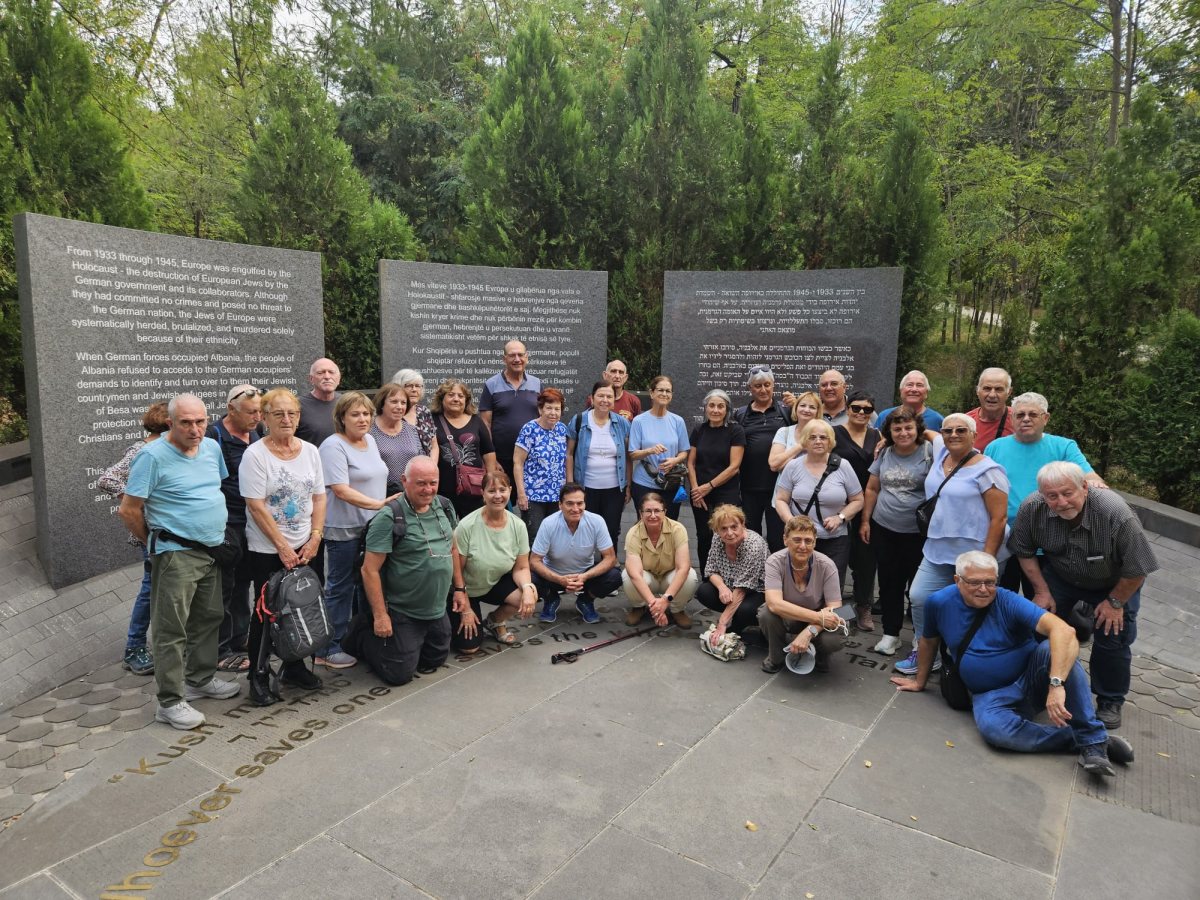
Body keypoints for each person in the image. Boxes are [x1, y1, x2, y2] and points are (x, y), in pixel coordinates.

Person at [892, 551, 1133, 777]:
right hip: (989, 695)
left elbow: (1064, 631)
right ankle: (1084, 740)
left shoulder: (1007, 600)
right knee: (996, 731)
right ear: (957, 580)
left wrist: (1056, 684)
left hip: (1032, 679)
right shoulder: (938, 603)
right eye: (975, 582)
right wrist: (920, 681)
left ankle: (1092, 739)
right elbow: (928, 641)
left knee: (1055, 647)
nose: (984, 589)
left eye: (990, 582)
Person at [119, 394, 240, 730]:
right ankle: (170, 702)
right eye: (186, 422)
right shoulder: (151, 456)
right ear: (170, 423)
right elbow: (129, 510)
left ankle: (200, 679)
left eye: (200, 421)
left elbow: (212, 489)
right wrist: (156, 544)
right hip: (176, 553)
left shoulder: (211, 447)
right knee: (171, 629)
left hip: (212, 549)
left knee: (209, 617)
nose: (195, 429)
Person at [1010, 462, 1159, 729]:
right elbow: (1023, 550)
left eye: (1068, 493)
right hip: (1061, 576)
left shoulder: (1115, 512)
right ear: (1042, 494)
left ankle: (1110, 700)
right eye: (1052, 496)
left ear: (1085, 487)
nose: (1061, 502)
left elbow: (1138, 567)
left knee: (1112, 636)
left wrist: (1115, 602)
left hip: (1114, 583)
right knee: (1041, 625)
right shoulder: (1032, 507)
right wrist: (1041, 591)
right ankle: (1040, 684)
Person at [895, 413, 1010, 676]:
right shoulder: (941, 453)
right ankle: (925, 652)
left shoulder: (988, 471)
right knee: (919, 597)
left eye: (961, 430)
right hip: (937, 549)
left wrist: (987, 561)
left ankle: (969, 660)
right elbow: (930, 433)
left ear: (974, 435)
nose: (953, 435)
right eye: (948, 431)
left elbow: (999, 518)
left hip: (975, 554)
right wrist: (886, 439)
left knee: (971, 607)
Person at [239, 389, 326, 706]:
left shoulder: (311, 451)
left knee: (302, 606)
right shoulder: (255, 455)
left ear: (299, 417)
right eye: (278, 414)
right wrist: (282, 548)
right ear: (264, 418)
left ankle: (295, 666)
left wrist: (315, 537)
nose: (286, 419)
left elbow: (319, 497)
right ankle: (258, 676)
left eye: (292, 413)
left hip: (306, 545)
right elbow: (255, 506)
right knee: (267, 612)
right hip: (267, 549)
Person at [345, 456, 457, 685]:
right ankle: (361, 635)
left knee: (434, 660)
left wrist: (461, 591)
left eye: (433, 483)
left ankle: (408, 644)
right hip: (403, 609)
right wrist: (380, 616)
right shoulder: (389, 517)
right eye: (421, 483)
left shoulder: (445, 506)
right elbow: (369, 570)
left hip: (436, 608)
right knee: (399, 674)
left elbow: (453, 548)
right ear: (405, 481)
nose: (428, 489)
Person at [984, 392, 1107, 593]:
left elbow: (1089, 477)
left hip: (1047, 541)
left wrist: (1097, 486)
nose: (1025, 419)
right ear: (1012, 418)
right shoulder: (995, 448)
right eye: (1020, 415)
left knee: (1043, 598)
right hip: (1003, 538)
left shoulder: (1063, 447)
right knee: (1001, 596)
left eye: (1033, 414)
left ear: (1046, 418)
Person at [318, 391, 394, 669]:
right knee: (340, 588)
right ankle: (328, 648)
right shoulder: (332, 446)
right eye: (355, 414)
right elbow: (340, 489)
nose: (362, 419)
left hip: (371, 528)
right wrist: (379, 504)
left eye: (366, 414)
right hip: (345, 529)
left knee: (367, 585)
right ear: (342, 418)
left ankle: (358, 639)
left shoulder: (370, 441)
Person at [99, 400, 169, 677]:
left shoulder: (165, 448)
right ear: (168, 425)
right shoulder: (142, 449)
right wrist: (132, 499)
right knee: (150, 589)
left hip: (168, 532)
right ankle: (134, 648)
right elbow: (107, 478)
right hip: (151, 534)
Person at [859, 408, 934, 656]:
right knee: (889, 583)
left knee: (919, 588)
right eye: (897, 429)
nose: (903, 433)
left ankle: (920, 637)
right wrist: (866, 521)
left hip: (919, 533)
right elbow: (872, 488)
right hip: (885, 529)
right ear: (889, 432)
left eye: (908, 427)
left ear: (918, 428)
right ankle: (890, 634)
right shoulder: (885, 453)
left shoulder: (929, 452)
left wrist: (929, 435)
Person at [207, 385, 265, 674]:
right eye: (251, 412)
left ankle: (239, 637)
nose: (257, 417)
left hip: (252, 521)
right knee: (224, 588)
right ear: (231, 409)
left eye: (260, 412)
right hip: (226, 523)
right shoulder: (213, 436)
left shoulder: (257, 432)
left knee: (244, 582)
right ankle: (220, 650)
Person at [449, 471, 535, 653]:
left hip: (494, 582)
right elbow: (456, 572)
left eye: (502, 490)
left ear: (510, 491)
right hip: (465, 589)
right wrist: (465, 607)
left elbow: (521, 567)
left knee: (529, 593)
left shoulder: (518, 525)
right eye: (491, 491)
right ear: (483, 493)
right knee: (469, 648)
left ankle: (495, 621)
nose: (497, 496)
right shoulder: (466, 526)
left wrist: (527, 588)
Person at [773, 420, 863, 588]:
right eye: (812, 437)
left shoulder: (843, 466)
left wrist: (840, 518)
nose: (818, 441)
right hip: (801, 539)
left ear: (830, 441)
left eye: (823, 437)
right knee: (800, 584)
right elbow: (781, 499)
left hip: (834, 539)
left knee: (831, 586)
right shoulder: (792, 466)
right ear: (805, 441)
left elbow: (858, 500)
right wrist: (791, 521)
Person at [759, 516, 846, 674]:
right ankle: (776, 657)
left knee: (833, 639)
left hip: (818, 618)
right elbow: (774, 603)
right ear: (785, 539)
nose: (803, 546)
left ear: (815, 542)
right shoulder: (774, 561)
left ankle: (820, 654)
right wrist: (818, 617)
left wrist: (809, 632)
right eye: (797, 540)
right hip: (792, 615)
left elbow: (835, 609)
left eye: (808, 541)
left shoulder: (827, 565)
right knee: (766, 613)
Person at [530, 483, 621, 625]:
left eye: (580, 503)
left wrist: (584, 577)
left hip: (584, 576)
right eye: (569, 503)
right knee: (528, 577)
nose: (575, 508)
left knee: (615, 576)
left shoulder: (597, 521)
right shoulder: (548, 523)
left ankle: (586, 600)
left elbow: (610, 557)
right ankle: (551, 598)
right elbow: (534, 560)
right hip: (554, 576)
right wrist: (559, 579)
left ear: (585, 504)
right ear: (560, 505)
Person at [833, 389, 882, 631]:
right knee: (838, 557)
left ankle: (864, 606)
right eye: (856, 408)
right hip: (839, 503)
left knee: (866, 558)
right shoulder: (834, 433)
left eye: (867, 409)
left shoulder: (877, 435)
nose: (861, 412)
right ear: (847, 408)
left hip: (869, 503)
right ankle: (835, 608)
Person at [567, 381, 632, 553]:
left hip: (614, 489)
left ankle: (609, 563)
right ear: (592, 398)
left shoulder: (622, 423)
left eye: (609, 396)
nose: (605, 400)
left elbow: (628, 457)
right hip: (585, 487)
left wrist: (628, 485)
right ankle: (583, 563)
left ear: (614, 400)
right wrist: (570, 484)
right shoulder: (579, 420)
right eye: (601, 395)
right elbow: (569, 454)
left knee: (611, 530)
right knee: (583, 529)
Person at [733, 365, 793, 552]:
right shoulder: (740, 414)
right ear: (750, 388)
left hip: (779, 487)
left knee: (778, 537)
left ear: (773, 385)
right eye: (758, 386)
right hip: (749, 487)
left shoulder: (786, 411)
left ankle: (776, 569)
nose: (763, 390)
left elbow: (807, 428)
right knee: (751, 537)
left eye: (767, 385)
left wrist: (797, 403)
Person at [686, 389, 745, 573]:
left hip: (725, 492)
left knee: (729, 535)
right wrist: (695, 490)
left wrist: (709, 486)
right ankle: (707, 575)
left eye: (721, 406)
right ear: (705, 408)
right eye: (711, 405)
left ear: (727, 409)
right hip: (700, 494)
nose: (716, 410)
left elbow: (734, 466)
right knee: (704, 535)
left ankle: (731, 575)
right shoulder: (699, 430)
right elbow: (690, 462)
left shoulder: (735, 431)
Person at [694, 504, 770, 647]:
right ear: (716, 530)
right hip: (730, 585)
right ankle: (736, 620)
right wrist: (722, 587)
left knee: (745, 610)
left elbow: (742, 589)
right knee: (704, 591)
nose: (729, 533)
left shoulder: (753, 545)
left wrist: (722, 623)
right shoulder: (717, 538)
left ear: (743, 524)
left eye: (734, 527)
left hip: (757, 590)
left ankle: (744, 624)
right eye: (723, 528)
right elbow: (711, 570)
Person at [622, 492, 699, 628]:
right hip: (648, 577)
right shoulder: (633, 533)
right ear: (641, 513)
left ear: (665, 512)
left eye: (657, 511)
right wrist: (655, 606)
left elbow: (683, 568)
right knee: (627, 576)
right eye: (648, 511)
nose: (653, 515)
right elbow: (635, 574)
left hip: (670, 576)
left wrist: (665, 600)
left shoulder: (678, 529)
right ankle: (639, 607)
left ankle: (677, 610)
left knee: (690, 576)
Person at [430, 378, 497, 520]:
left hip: (473, 489)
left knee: (474, 527)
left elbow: (488, 452)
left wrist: (490, 481)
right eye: (451, 395)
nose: (456, 399)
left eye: (461, 396)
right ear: (442, 398)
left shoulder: (476, 420)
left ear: (466, 400)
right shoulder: (432, 420)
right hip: (442, 489)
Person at [479, 340, 542, 485]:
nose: (517, 359)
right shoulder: (491, 384)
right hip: (502, 460)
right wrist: (492, 460)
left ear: (527, 357)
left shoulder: (537, 384)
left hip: (532, 459)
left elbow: (542, 419)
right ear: (504, 359)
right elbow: (485, 424)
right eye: (512, 355)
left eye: (520, 355)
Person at [629, 375, 690, 520]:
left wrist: (675, 461)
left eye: (668, 391)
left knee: (669, 524)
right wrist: (649, 450)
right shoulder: (639, 421)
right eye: (660, 390)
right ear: (651, 393)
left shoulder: (678, 421)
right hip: (644, 482)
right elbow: (632, 454)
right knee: (646, 524)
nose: (664, 394)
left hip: (671, 483)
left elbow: (684, 451)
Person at [514, 388, 569, 539]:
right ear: (540, 409)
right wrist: (521, 494)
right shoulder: (529, 429)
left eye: (557, 409)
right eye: (549, 408)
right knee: (535, 537)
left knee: (555, 537)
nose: (553, 413)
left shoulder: (562, 430)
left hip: (557, 495)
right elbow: (518, 463)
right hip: (533, 496)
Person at [369, 383, 422, 494]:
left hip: (409, 493)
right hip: (379, 493)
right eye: (394, 402)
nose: (399, 407)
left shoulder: (411, 430)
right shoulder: (369, 430)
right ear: (382, 403)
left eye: (403, 403)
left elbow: (420, 459)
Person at [390, 368, 439, 463]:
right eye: (409, 386)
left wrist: (432, 466)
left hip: (426, 469)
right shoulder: (392, 414)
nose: (414, 389)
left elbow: (434, 446)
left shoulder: (424, 411)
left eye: (417, 386)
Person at [767, 390, 821, 473]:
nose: (806, 410)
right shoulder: (784, 432)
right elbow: (773, 465)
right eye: (802, 405)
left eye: (812, 407)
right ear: (796, 408)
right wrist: (801, 446)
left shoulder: (823, 433)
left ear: (817, 412)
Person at [876, 370, 944, 432]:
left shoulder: (937, 420)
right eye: (910, 385)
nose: (914, 389)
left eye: (919, 385)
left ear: (926, 393)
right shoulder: (885, 416)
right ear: (901, 391)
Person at [295, 358, 341, 446]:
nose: (327, 376)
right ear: (311, 379)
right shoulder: (297, 406)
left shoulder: (347, 403)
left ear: (338, 379)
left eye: (331, 372)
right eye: (320, 373)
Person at [965, 367, 1014, 450]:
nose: (992, 395)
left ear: (1009, 392)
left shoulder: (1020, 420)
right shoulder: (966, 422)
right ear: (977, 390)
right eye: (987, 388)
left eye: (999, 389)